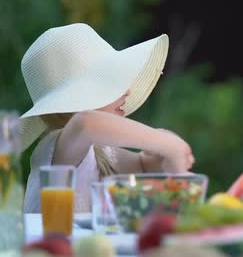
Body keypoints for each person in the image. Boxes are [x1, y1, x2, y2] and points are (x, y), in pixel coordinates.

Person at [20, 23, 195, 213]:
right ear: (76, 98)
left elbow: (143, 168)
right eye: (110, 82)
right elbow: (86, 124)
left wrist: (160, 155)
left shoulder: (100, 152)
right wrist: (165, 143)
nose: (127, 91)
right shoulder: (58, 148)